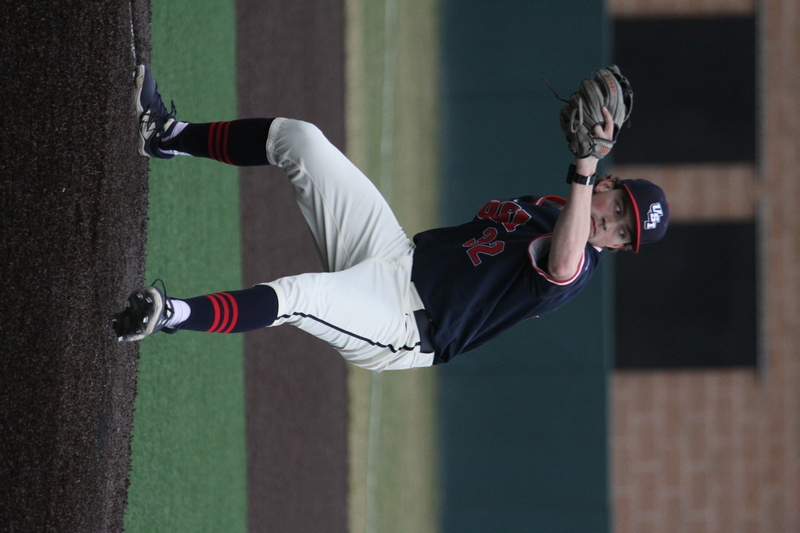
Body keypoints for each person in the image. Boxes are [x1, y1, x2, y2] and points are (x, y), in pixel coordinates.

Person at [113, 65, 669, 371]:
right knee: (300, 140)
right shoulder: (554, 207)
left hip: (404, 326)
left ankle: (168, 315)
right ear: (613, 188)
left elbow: (566, 258)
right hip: (396, 255)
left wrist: (584, 165)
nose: (612, 226)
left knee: (298, 297)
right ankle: (168, 137)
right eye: (618, 209)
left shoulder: (579, 265)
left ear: (618, 250)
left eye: (623, 234)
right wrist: (584, 174)